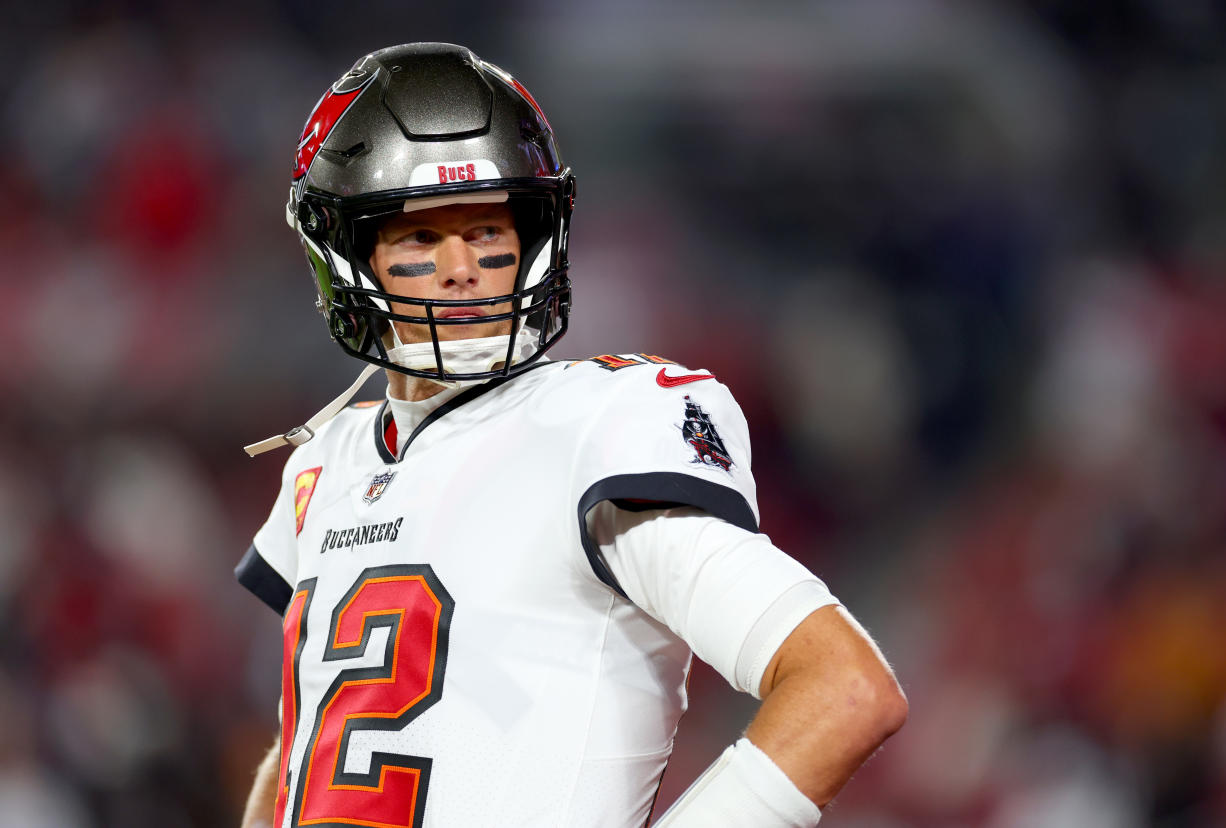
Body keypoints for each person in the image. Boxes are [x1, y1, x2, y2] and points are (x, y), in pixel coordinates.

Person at [236, 42, 907, 828]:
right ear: (348, 255)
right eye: (421, 236)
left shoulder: (593, 426)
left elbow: (846, 688)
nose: (464, 267)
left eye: (489, 227)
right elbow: (305, 750)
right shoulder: (324, 463)